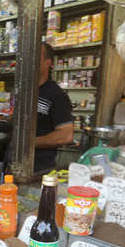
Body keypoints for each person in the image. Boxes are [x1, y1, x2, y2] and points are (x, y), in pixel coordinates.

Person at [32, 43, 76, 172]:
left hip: (38, 169)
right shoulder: (26, 91)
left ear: (48, 63)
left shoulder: (56, 95)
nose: (30, 61)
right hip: (12, 163)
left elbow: (65, 135)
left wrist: (28, 143)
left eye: (36, 57)